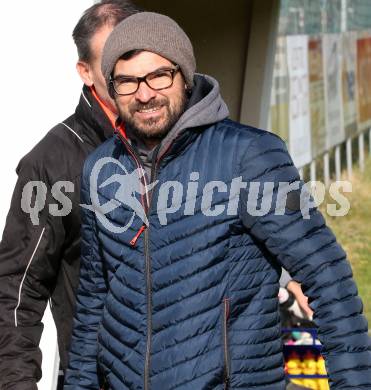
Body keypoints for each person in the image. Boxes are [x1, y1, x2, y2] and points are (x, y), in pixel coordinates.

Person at [64, 12, 371, 390]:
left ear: (185, 74)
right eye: (127, 82)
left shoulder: (250, 155)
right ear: (110, 88)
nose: (144, 94)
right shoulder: (99, 169)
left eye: (159, 75)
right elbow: (94, 301)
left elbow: (326, 276)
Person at [0, 2, 140, 389]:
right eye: (113, 62)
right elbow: (16, 290)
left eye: (137, 56)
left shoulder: (191, 143)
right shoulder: (53, 161)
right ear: (86, 71)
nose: (130, 74)